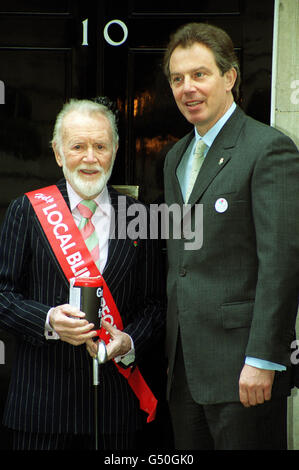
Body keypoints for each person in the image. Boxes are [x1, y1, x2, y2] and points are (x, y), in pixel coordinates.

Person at [162, 22, 299, 450]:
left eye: (199, 74)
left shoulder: (269, 149)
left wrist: (263, 359)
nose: (188, 88)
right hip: (183, 372)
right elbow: (181, 261)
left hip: (244, 372)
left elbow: (282, 263)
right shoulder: (175, 158)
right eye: (177, 78)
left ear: (230, 77)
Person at [0, 98, 164, 450]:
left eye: (100, 146)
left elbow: (155, 304)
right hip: (39, 410)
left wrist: (130, 341)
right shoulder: (26, 210)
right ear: (58, 153)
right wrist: (47, 319)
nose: (90, 158)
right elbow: (3, 295)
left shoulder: (140, 216)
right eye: (78, 146)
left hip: (114, 411)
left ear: (116, 150)